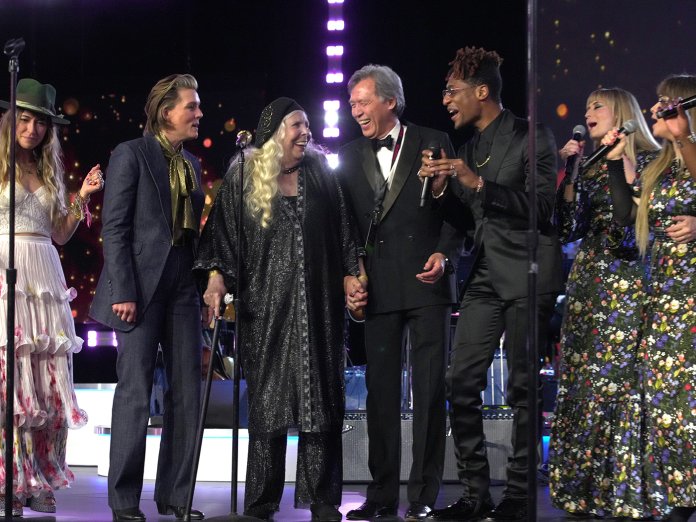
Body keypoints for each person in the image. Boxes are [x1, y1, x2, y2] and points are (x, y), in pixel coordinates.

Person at [195, 97, 363, 522]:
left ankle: (323, 499)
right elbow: (222, 239)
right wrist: (217, 276)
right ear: (274, 135)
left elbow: (344, 231)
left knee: (321, 398)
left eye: (307, 125)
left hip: (319, 305)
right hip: (265, 308)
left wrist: (350, 275)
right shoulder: (243, 178)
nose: (306, 132)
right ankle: (261, 501)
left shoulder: (323, 175)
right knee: (269, 404)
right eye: (297, 125)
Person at [418, 47, 562, 522]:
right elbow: (463, 218)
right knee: (460, 382)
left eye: (452, 91)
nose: (446, 100)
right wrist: (443, 202)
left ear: (482, 91)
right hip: (482, 275)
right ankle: (476, 492)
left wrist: (476, 183)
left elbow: (543, 210)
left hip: (526, 272)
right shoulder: (467, 148)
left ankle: (519, 495)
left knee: (523, 388)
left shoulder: (531, 134)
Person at [335, 64, 461, 522]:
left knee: (429, 393)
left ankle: (425, 494)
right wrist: (352, 273)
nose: (356, 111)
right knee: (379, 393)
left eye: (363, 101)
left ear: (390, 101)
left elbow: (457, 211)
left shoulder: (435, 140)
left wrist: (446, 254)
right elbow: (344, 225)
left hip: (429, 283)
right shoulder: (347, 156)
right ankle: (381, 494)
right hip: (379, 289)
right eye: (352, 104)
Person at [89, 74, 205, 522]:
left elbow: (191, 230)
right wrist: (124, 290)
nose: (198, 114)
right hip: (139, 288)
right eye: (191, 107)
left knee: (187, 395)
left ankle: (177, 496)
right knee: (136, 393)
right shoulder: (131, 153)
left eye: (197, 106)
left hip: (182, 287)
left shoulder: (191, 164)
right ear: (165, 112)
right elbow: (114, 228)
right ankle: (123, 500)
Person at [548, 88, 660, 519]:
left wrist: (617, 160)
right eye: (586, 105)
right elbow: (568, 228)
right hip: (587, 281)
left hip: (626, 281)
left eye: (597, 106)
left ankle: (622, 486)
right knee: (581, 384)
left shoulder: (651, 159)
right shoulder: (588, 164)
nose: (586, 112)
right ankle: (582, 486)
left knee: (616, 385)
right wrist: (571, 171)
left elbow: (625, 224)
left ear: (622, 114)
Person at [0, 78, 102, 516]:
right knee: (13, 380)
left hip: (45, 275)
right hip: (8, 275)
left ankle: (39, 478)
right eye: (25, 119)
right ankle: (9, 481)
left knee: (46, 382)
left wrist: (80, 198)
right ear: (11, 121)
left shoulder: (49, 171)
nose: (32, 129)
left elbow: (60, 233)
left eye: (40, 123)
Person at [602, 74, 696, 522]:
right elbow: (627, 215)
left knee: (687, 400)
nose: (655, 109)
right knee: (664, 401)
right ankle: (678, 496)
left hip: (692, 295)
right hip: (661, 294)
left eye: (665, 103)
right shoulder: (662, 164)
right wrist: (617, 162)